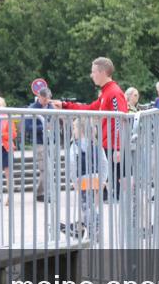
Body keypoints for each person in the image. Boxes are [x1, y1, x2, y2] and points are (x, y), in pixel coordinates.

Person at [52, 57, 128, 200]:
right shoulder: (106, 92)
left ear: (103, 72)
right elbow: (89, 108)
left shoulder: (114, 92)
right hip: (108, 144)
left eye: (93, 72)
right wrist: (64, 105)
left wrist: (118, 148)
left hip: (113, 146)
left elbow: (121, 119)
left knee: (121, 183)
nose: (91, 75)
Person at [26, 88, 54, 202]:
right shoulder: (32, 108)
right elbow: (28, 127)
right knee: (46, 168)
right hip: (39, 142)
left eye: (49, 99)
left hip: (50, 141)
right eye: (45, 99)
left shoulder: (51, 107)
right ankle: (45, 194)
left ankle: (40, 193)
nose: (47, 101)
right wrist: (43, 126)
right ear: (39, 97)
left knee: (48, 169)